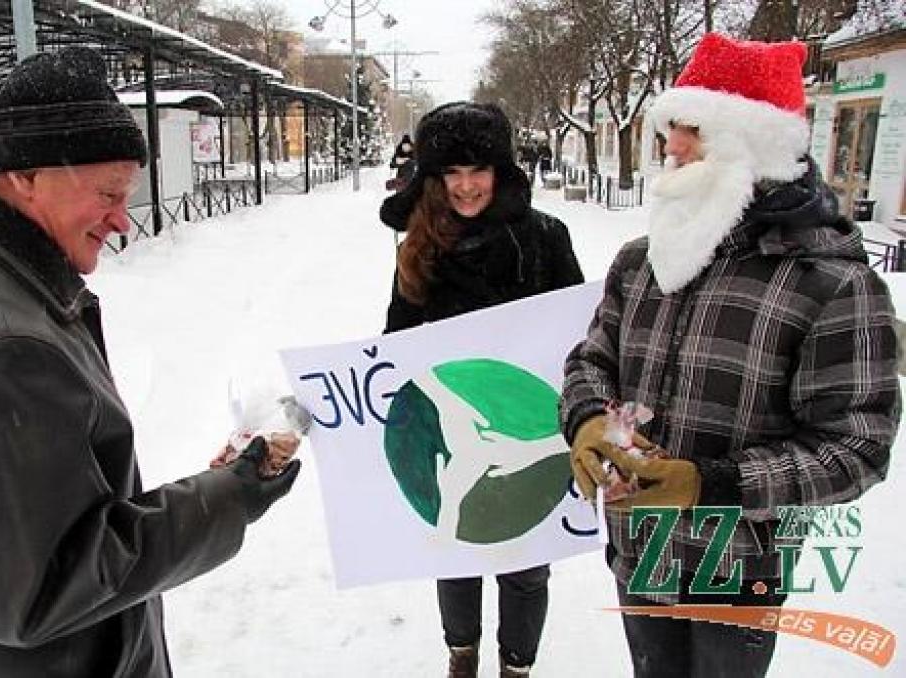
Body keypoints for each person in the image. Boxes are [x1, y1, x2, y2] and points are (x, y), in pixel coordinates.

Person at [0, 47, 300, 677]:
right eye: (107, 193)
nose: (120, 220)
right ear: (24, 175)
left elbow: (29, 528)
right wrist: (230, 498)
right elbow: (39, 590)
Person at [559, 32, 900, 678]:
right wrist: (587, 421)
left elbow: (858, 446)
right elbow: (590, 359)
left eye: (690, 128)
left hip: (738, 573)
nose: (670, 146)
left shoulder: (831, 282)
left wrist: (710, 484)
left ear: (753, 141)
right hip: (641, 555)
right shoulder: (643, 258)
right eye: (670, 128)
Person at [379, 101, 585, 678]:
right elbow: (398, 340)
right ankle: (461, 655)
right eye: (452, 174)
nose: (466, 187)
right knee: (458, 545)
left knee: (526, 557)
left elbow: (576, 332)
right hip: (453, 418)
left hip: (529, 416)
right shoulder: (418, 247)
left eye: (479, 171)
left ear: (502, 172)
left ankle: (517, 666)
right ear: (434, 180)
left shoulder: (546, 237)